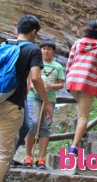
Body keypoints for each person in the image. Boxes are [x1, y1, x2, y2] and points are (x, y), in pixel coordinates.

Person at [0, 15, 52, 182]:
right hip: (12, 104)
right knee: (1, 153)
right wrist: (47, 101)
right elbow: (36, 78)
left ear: (17, 29)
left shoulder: (4, 45)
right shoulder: (33, 50)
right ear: (34, 32)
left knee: (22, 129)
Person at [66, 20, 97, 154]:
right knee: (83, 116)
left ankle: (80, 132)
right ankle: (74, 147)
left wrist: (69, 76)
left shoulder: (77, 43)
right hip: (87, 81)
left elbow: (69, 62)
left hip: (72, 80)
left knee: (80, 110)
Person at [24, 39, 65, 169]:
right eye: (43, 48)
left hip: (50, 99)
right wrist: (33, 88)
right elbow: (28, 81)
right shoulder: (34, 63)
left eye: (49, 49)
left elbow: (61, 84)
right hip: (34, 97)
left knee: (45, 127)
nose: (45, 51)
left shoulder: (58, 66)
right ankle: (28, 156)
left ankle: (41, 158)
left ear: (53, 51)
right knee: (33, 123)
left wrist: (51, 86)